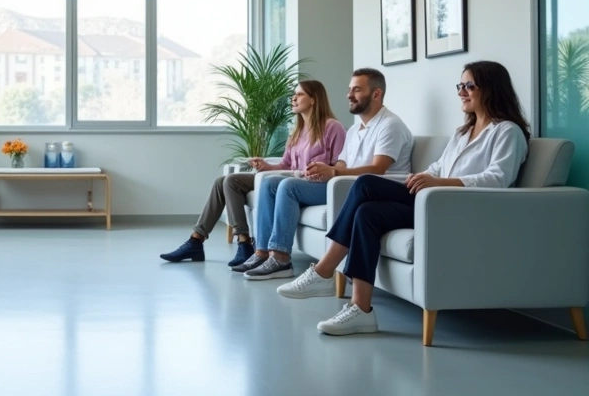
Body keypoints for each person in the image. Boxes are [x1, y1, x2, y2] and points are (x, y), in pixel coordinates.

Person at [277, 61, 530, 337]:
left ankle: (324, 271)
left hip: (456, 208)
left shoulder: (507, 132)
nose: (462, 92)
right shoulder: (462, 132)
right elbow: (438, 168)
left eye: (470, 85)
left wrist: (438, 183)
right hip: (432, 201)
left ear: (491, 89)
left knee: (364, 183)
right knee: (367, 213)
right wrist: (424, 177)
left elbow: (498, 178)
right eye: (461, 85)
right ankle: (361, 310)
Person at [236, 68, 415, 279]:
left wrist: (334, 171)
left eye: (357, 90)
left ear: (376, 94)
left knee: (288, 186)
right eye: (350, 90)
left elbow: (378, 169)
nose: (349, 95)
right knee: (269, 182)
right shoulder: (355, 130)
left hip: (369, 190)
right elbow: (342, 162)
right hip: (343, 185)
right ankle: (262, 252)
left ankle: (281, 259)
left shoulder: (390, 125)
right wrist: (324, 171)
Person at [160, 80, 347, 266]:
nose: (293, 98)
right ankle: (201, 240)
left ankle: (244, 245)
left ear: (314, 99)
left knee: (245, 182)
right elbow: (286, 164)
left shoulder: (332, 128)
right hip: (287, 178)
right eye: (294, 95)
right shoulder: (296, 131)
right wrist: (266, 166)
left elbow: (339, 165)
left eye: (299, 95)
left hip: (310, 184)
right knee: (225, 181)